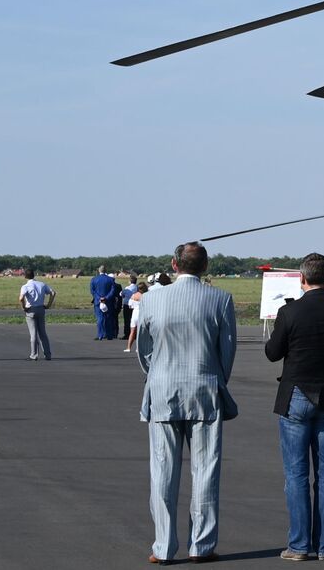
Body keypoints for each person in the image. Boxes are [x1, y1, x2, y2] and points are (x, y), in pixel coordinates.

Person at [137, 241, 239, 564]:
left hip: (163, 391)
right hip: (205, 391)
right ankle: (202, 545)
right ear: (205, 266)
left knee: (163, 471)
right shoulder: (220, 299)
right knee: (206, 470)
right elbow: (227, 351)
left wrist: (158, 375)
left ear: (174, 264)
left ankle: (164, 547)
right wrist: (214, 378)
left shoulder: (151, 299)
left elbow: (144, 350)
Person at [265, 253, 324, 561]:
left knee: (296, 474)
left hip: (296, 394)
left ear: (302, 278)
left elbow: (272, 352)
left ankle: (299, 545)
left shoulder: (289, 311)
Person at [17, 268, 53, 361]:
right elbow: (53, 293)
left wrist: (24, 307)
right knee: (43, 333)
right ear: (34, 275)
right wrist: (48, 305)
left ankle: (34, 355)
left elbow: (21, 298)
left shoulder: (25, 286)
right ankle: (48, 354)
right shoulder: (42, 284)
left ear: (25, 276)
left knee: (33, 334)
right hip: (41, 309)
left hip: (31, 310)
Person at [91, 268, 121, 340]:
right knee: (109, 318)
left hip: (98, 301)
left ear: (99, 270)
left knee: (100, 318)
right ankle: (109, 335)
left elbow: (92, 291)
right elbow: (112, 290)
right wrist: (106, 298)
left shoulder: (94, 279)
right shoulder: (110, 280)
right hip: (108, 301)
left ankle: (100, 335)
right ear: (105, 271)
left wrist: (99, 298)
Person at [122, 278, 146, 352]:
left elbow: (130, 305)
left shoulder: (133, 295)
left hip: (135, 313)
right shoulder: (145, 296)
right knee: (141, 333)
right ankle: (138, 348)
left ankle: (128, 347)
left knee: (132, 331)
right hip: (142, 314)